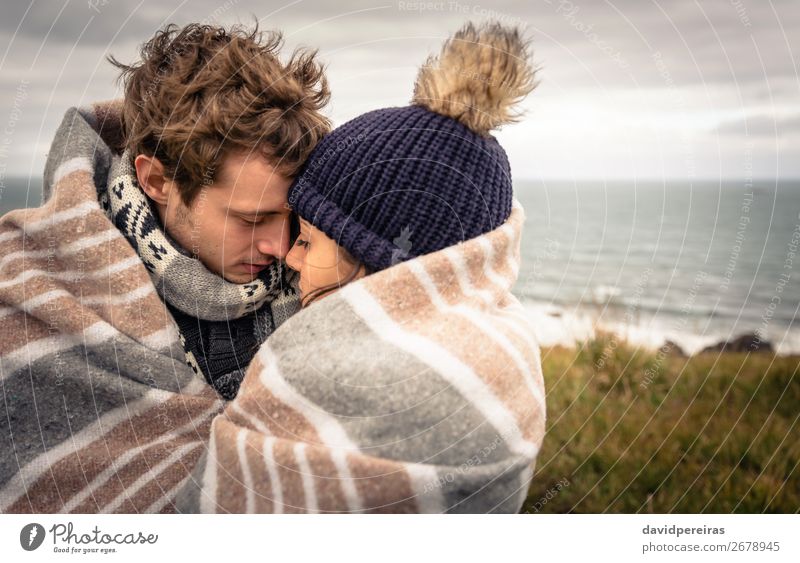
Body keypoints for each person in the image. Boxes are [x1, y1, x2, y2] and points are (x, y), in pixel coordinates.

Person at [177, 21, 547, 513]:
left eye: (308, 241)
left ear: (383, 267)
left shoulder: (332, 379)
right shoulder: (500, 353)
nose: (289, 257)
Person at [0, 22, 328, 513]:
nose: (282, 247)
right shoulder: (28, 286)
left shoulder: (327, 274)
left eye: (292, 217)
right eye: (252, 219)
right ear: (156, 180)